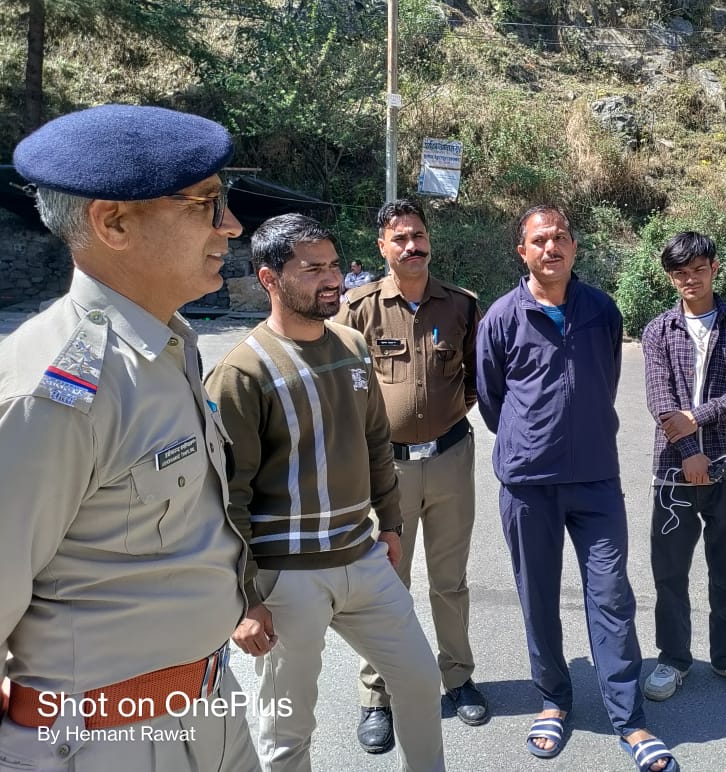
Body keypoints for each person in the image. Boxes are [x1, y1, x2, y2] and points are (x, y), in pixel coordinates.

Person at [0, 104, 259, 771]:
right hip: (105, 740)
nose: (231, 225)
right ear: (112, 223)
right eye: (205, 204)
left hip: (211, 707)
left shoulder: (169, 342)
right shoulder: (54, 387)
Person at [204, 214, 444, 772]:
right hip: (287, 579)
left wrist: (390, 523)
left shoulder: (352, 345)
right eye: (312, 269)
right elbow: (225, 496)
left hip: (362, 559)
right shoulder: (241, 371)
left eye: (334, 265)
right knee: (287, 729)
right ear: (269, 278)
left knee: (419, 679)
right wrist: (244, 598)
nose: (332, 278)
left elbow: (375, 440)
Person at [476, 205, 679, 772]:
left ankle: (630, 719)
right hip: (528, 483)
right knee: (538, 596)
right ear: (522, 251)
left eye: (561, 236)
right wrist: (529, 437)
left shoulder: (601, 309)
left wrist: (578, 428)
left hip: (595, 478)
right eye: (540, 239)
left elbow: (604, 380)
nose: (552, 247)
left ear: (574, 246)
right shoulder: (502, 317)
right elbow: (491, 399)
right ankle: (554, 701)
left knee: (611, 596)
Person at [336, 199, 489, 754]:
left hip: (450, 459)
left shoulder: (462, 305)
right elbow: (339, 385)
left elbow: (474, 378)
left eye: (418, 235)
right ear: (382, 246)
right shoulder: (357, 309)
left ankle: (458, 677)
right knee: (383, 583)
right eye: (399, 238)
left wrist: (443, 420)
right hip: (385, 469)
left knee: (450, 581)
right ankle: (377, 696)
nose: (411, 246)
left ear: (430, 240)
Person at [640, 231, 726, 703]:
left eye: (698, 269)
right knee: (670, 573)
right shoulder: (659, 331)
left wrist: (698, 417)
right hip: (673, 471)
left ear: (715, 268)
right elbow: (660, 398)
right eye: (681, 273)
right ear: (670, 278)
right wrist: (688, 451)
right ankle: (673, 659)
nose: (690, 279)